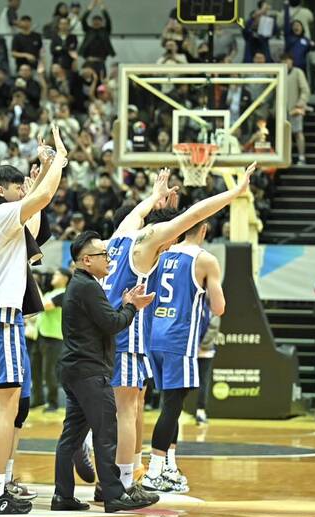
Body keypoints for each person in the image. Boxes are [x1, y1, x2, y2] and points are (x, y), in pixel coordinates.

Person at [101, 163, 254, 495]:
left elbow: (137, 213)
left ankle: (106, 477)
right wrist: (234, 193)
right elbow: (195, 214)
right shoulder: (148, 243)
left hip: (105, 334)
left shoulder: (120, 234)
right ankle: (123, 482)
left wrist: (153, 196)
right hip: (128, 335)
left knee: (112, 409)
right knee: (127, 412)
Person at [0, 125, 66, 515]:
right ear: (3, 191)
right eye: (18, 188)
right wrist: (59, 161)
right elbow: (42, 198)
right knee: (5, 409)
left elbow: (35, 216)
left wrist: (40, 170)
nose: (23, 193)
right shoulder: (0, 215)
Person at [53, 230, 158, 513]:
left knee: (71, 437)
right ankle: (113, 494)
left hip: (75, 368)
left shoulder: (81, 284)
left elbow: (104, 318)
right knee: (105, 432)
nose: (108, 259)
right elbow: (112, 323)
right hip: (89, 371)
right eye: (103, 254)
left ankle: (62, 496)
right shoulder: (87, 286)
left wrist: (125, 305)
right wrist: (132, 307)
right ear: (87, 260)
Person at [142, 219, 227, 494]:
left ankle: (169, 466)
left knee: (171, 404)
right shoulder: (206, 260)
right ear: (203, 229)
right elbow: (219, 307)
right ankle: (154, 471)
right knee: (171, 406)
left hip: (153, 335)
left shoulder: (162, 253)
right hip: (179, 340)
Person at [35, 269, 71, 411]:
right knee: (36, 370)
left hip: (54, 337)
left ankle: (53, 402)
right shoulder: (50, 293)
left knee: (50, 371)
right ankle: (38, 399)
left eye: (57, 274)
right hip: (40, 335)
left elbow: (43, 305)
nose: (53, 276)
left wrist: (34, 286)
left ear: (65, 278)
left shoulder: (64, 293)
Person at [282, 52, 310, 165]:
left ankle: (301, 157)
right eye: (283, 61)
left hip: (295, 108)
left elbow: (305, 90)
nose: (285, 63)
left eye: (287, 60)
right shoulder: (279, 73)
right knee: (283, 135)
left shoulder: (298, 72)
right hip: (282, 110)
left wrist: (300, 103)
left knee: (298, 133)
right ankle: (286, 158)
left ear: (291, 61)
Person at [195, 311, 220, 426]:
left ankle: (200, 412)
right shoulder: (193, 305)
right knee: (200, 382)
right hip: (192, 351)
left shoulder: (213, 309)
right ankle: (198, 412)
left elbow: (213, 329)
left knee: (203, 382)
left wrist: (201, 346)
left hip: (204, 352)